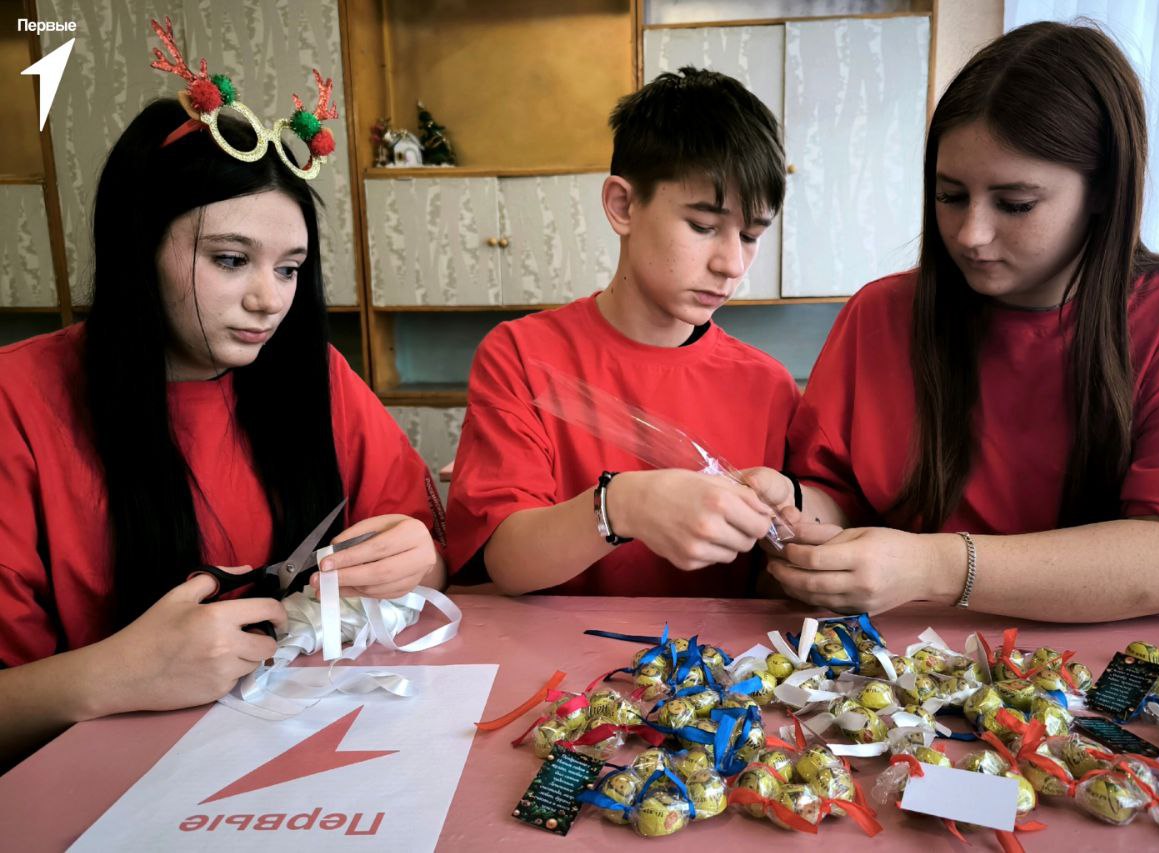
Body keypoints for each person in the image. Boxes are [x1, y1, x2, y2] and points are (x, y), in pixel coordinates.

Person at [0, 50, 444, 764]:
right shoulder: (18, 401)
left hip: (305, 747)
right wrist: (115, 674)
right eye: (231, 260)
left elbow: (426, 560)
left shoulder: (313, 375)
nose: (269, 300)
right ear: (138, 249)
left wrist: (414, 560)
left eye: (289, 268)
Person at [752, 21, 1159, 622]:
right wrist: (789, 506)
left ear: (1103, 189)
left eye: (1015, 204)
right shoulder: (879, 314)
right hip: (899, 661)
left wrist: (935, 566)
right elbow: (838, 496)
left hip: (1106, 660)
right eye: (950, 196)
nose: (971, 234)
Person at [446, 67, 799, 596]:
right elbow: (505, 560)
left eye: (750, 236)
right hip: (559, 649)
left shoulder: (767, 386)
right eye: (703, 226)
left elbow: (783, 566)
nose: (732, 264)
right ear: (623, 206)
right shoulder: (521, 356)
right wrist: (623, 506)